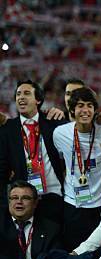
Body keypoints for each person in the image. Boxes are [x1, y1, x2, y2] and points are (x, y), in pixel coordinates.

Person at [52, 87, 101, 251]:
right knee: (74, 253)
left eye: (90, 106)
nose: (85, 110)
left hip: (100, 206)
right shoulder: (60, 134)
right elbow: (61, 162)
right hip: (72, 205)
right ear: (72, 110)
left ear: (95, 110)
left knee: (98, 255)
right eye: (80, 106)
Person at [0, 80, 67, 222]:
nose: (21, 97)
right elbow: (2, 169)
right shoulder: (7, 130)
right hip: (24, 201)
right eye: (18, 94)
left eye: (26, 93)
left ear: (38, 100)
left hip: (54, 195)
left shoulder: (54, 122)